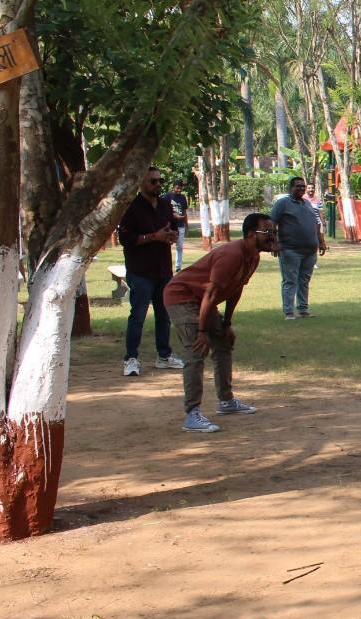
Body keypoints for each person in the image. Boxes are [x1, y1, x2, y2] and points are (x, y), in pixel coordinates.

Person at [163, 213, 276, 432]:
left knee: (223, 343)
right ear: (252, 235)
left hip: (203, 300)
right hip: (182, 297)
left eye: (274, 232)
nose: (273, 237)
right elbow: (210, 294)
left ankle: (226, 401)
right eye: (268, 232)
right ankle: (192, 414)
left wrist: (226, 324)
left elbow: (236, 288)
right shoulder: (232, 254)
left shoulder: (253, 256)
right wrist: (202, 330)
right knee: (196, 352)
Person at [117, 166, 183, 376]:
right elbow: (125, 239)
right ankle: (131, 359)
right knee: (138, 315)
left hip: (163, 269)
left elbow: (171, 228)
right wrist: (153, 237)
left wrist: (171, 235)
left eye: (160, 181)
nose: (158, 185)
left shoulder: (164, 204)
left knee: (164, 314)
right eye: (153, 181)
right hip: (140, 270)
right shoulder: (131, 207)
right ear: (141, 183)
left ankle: (164, 356)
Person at [271, 176, 327, 319]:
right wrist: (274, 243)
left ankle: (303, 309)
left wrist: (321, 241)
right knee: (290, 281)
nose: (301, 188)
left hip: (310, 251)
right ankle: (289, 312)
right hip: (290, 250)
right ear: (291, 188)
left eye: (303, 186)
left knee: (304, 281)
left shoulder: (307, 204)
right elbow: (272, 224)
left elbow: (316, 224)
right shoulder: (282, 203)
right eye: (298, 186)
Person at [163, 178, 190, 272]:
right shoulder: (166, 197)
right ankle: (166, 266)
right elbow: (162, 210)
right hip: (169, 225)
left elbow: (184, 212)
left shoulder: (182, 198)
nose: (179, 190)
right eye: (177, 188)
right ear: (173, 187)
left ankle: (178, 267)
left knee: (179, 246)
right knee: (166, 246)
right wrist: (173, 215)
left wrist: (186, 224)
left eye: (180, 188)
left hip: (180, 225)